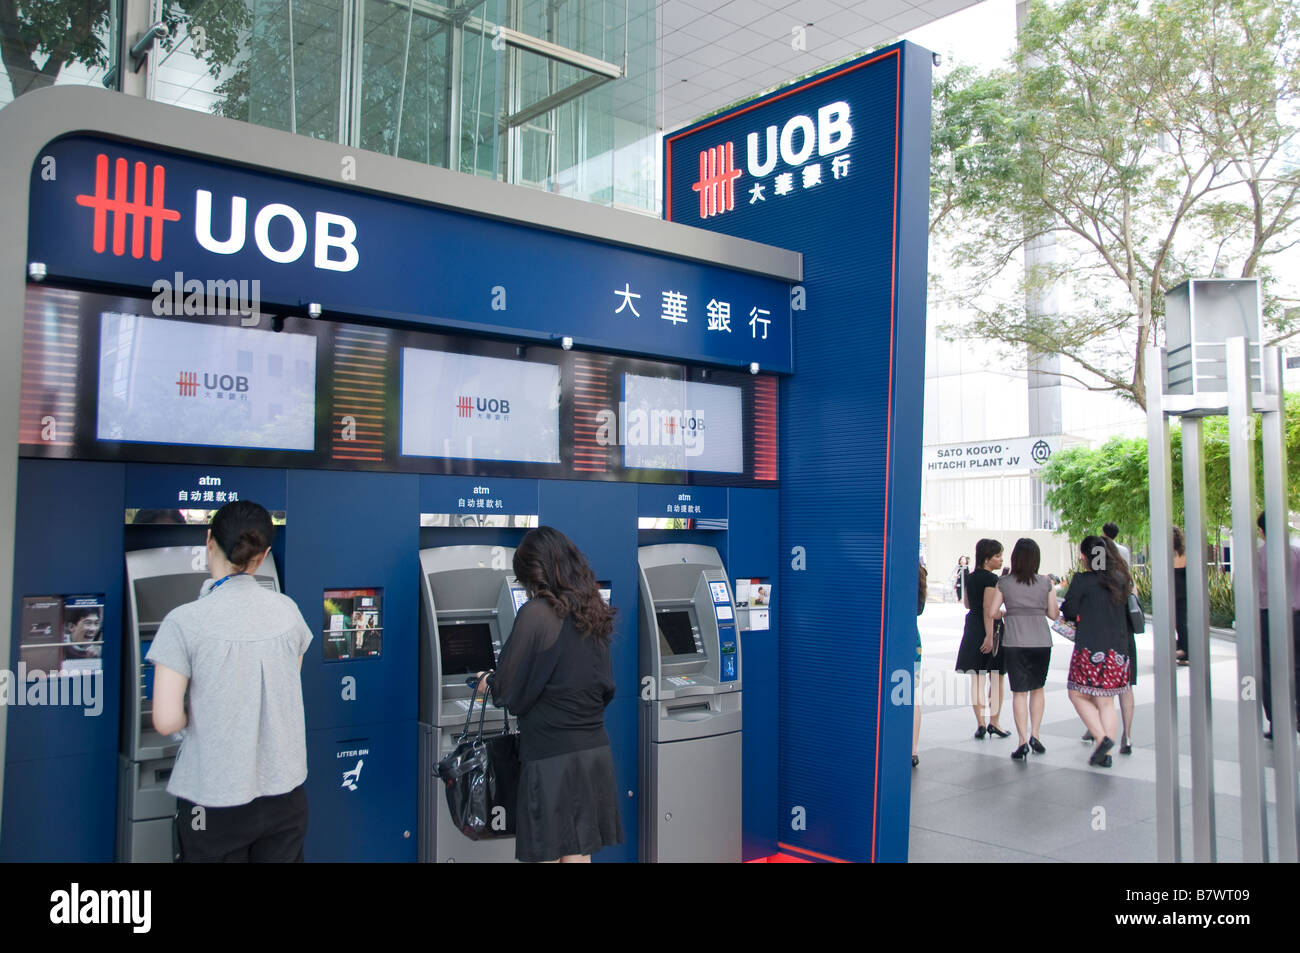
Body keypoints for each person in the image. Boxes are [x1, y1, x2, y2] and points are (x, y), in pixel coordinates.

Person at [148, 500, 312, 862]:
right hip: (285, 795)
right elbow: (286, 682)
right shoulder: (288, 612)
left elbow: (165, 720)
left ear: (209, 540)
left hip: (213, 799)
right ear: (264, 553)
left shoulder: (183, 621)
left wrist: (204, 709)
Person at [478, 526, 623, 863]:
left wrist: (487, 682)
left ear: (534, 572)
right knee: (577, 854)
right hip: (592, 752)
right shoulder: (592, 611)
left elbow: (509, 691)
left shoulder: (536, 614)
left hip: (550, 757)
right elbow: (605, 686)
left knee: (544, 855)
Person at [1061, 535, 1134, 768]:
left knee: (1077, 694)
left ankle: (1102, 738)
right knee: (1106, 701)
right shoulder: (1121, 579)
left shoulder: (1083, 580)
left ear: (1084, 557)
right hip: (1119, 650)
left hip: (1091, 649)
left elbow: (1069, 610)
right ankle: (1106, 753)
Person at [991, 538, 1059, 760]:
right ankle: (1036, 735)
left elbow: (993, 612)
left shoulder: (1005, 583)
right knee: (1037, 689)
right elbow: (1053, 614)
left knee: (1019, 692)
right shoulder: (1046, 582)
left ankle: (1021, 741)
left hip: (1014, 642)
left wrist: (1007, 613)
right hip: (1041, 641)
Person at [954, 539, 1009, 740]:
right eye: (997, 556)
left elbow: (968, 604)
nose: (1001, 559)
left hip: (972, 628)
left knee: (976, 678)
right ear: (987, 559)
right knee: (996, 677)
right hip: (989, 631)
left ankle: (981, 723)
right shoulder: (991, 580)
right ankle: (994, 722)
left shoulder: (971, 577)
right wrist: (989, 635)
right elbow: (989, 610)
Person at [1257, 511, 1300, 739]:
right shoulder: (1295, 553)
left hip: (1268, 617)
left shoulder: (1258, 556)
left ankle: (1276, 721)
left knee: (1269, 670)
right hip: (1296, 618)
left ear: (1262, 531)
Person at [914, 561, 926, 768]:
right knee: (909, 693)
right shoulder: (918, 574)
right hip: (911, 640)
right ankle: (912, 750)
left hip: (884, 639)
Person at [1173, 527, 1189, 666]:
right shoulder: (1182, 553)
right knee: (1180, 623)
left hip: (1176, 594)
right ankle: (1182, 649)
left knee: (1180, 623)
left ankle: (1184, 650)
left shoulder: (1170, 554)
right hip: (1180, 593)